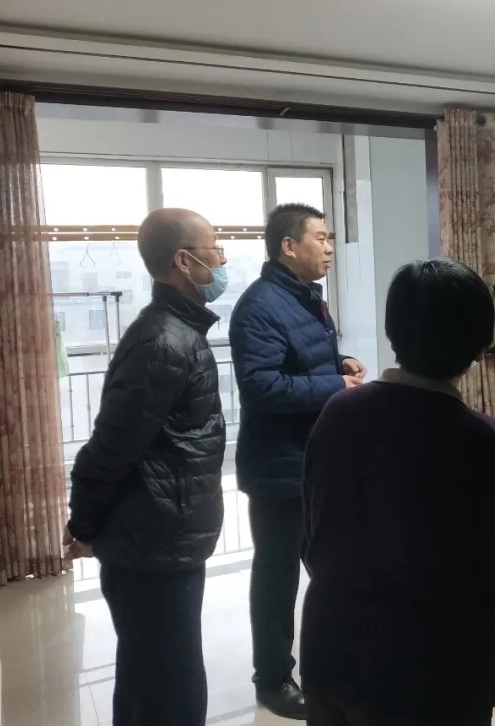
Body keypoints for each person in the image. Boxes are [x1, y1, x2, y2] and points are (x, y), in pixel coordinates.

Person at [300, 258, 495, 726]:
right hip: (431, 669)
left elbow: (312, 526)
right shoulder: (484, 441)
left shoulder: (339, 412)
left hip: (331, 646)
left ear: (392, 332)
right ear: (479, 347)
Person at [65, 208, 228, 726]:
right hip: (153, 544)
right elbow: (111, 447)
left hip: (165, 536)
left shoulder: (178, 331)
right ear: (184, 261)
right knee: (167, 689)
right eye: (214, 247)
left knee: (155, 677)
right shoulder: (163, 342)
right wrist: (84, 524)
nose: (221, 259)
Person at [229, 203, 366, 719]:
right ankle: (272, 680)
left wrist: (338, 362)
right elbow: (262, 388)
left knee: (331, 566)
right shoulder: (260, 306)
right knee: (277, 578)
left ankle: (337, 661)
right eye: (321, 238)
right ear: (289, 246)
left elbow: (301, 360)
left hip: (312, 461)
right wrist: (336, 384)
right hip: (278, 469)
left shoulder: (305, 298)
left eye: (330, 239)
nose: (329, 249)